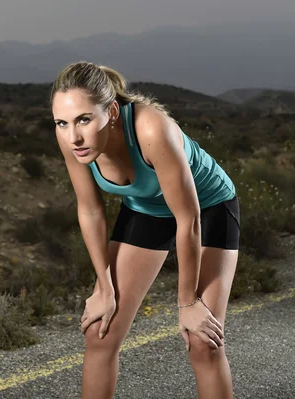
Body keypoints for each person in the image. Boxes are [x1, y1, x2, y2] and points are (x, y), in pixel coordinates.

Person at [50, 61, 240, 399]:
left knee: (202, 342)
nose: (73, 136)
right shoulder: (70, 140)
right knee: (99, 333)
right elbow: (91, 211)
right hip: (147, 209)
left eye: (83, 119)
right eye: (62, 123)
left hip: (207, 208)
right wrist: (104, 287)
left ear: (110, 112)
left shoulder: (151, 129)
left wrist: (187, 303)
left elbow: (189, 219)